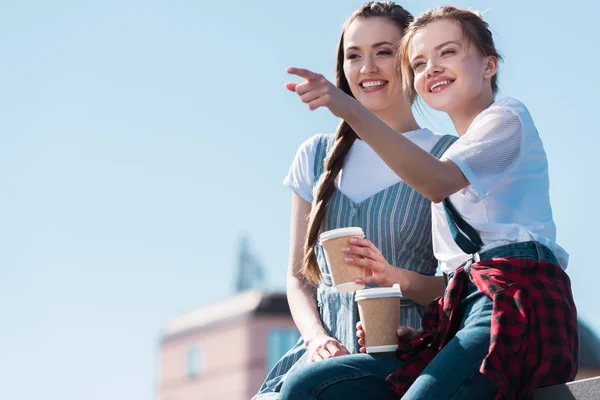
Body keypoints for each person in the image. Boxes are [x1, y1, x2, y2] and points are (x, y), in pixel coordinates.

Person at [280, 5, 578, 400]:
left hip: (513, 304)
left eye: (448, 52)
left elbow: (436, 183)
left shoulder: (505, 119)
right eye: (419, 62)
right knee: (308, 385)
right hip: (464, 311)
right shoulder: (454, 157)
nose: (432, 67)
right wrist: (415, 313)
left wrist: (347, 107)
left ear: (489, 65)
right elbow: (456, 281)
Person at [253, 2, 458, 399]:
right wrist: (315, 340)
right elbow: (298, 278)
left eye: (383, 52)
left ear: (412, 61)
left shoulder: (448, 158)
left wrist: (396, 279)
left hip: (406, 352)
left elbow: (457, 288)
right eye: (354, 55)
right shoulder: (314, 156)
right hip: (320, 355)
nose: (367, 68)